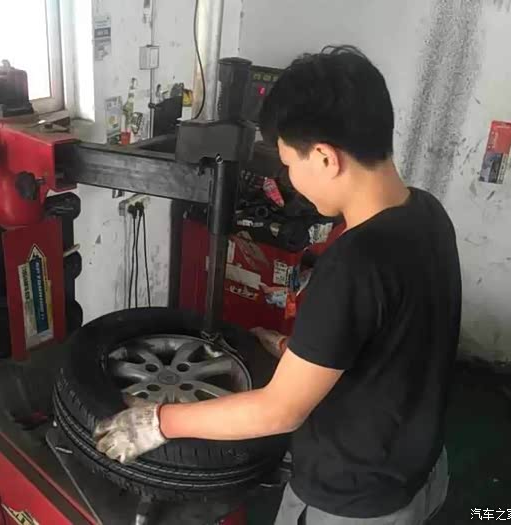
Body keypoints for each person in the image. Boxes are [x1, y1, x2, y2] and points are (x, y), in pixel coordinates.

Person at [93, 46, 461, 524]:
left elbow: (279, 411)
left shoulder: (354, 262)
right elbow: (396, 333)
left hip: (350, 501)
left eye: (289, 162)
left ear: (325, 157)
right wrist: (301, 348)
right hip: (418, 473)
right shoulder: (428, 213)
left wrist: (157, 422)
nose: (288, 177)